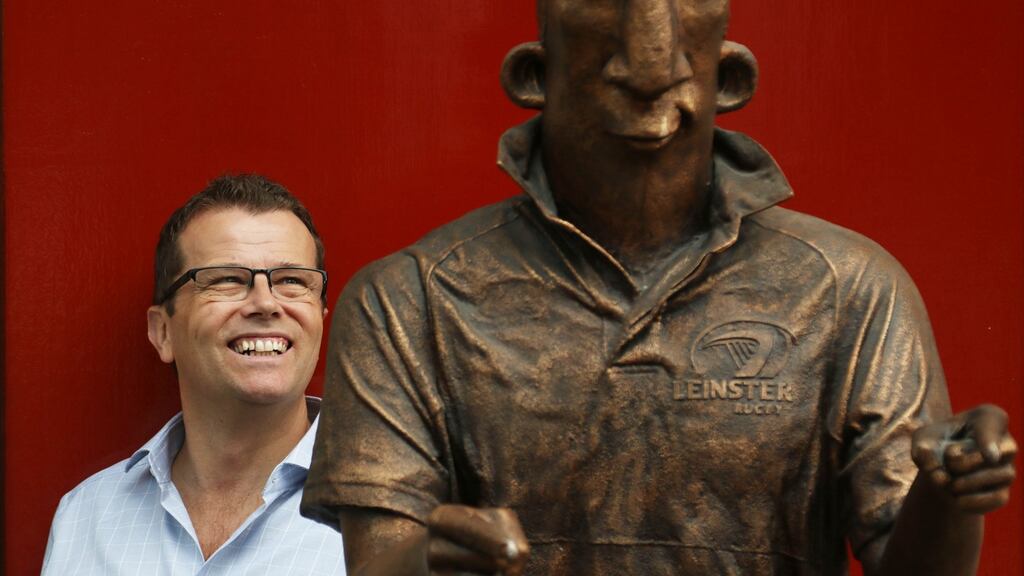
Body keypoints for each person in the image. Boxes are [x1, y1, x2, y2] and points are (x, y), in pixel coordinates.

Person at [301, 1, 1017, 575]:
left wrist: (948, 493)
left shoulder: (846, 288)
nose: (647, 68)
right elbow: (379, 560)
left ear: (730, 78)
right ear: (531, 75)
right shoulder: (411, 299)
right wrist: (429, 561)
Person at [42, 175, 346, 575]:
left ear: (321, 319)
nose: (266, 303)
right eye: (226, 279)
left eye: (292, 281)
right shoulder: (84, 519)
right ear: (163, 332)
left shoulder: (403, 517)